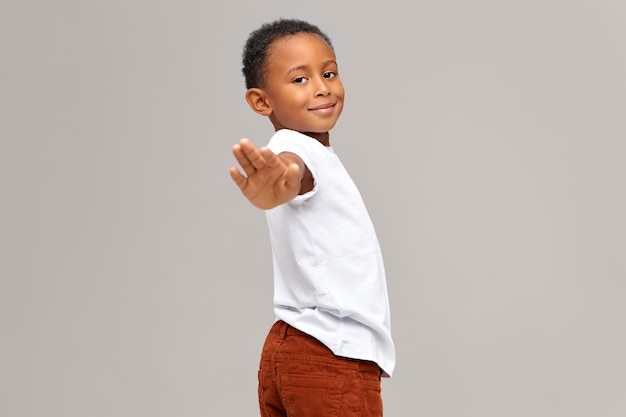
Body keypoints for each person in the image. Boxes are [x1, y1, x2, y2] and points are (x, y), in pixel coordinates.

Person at [229, 18, 395, 417]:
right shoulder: (295, 149)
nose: (322, 86)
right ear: (261, 101)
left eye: (329, 72)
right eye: (299, 79)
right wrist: (281, 183)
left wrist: (284, 184)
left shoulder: (311, 152)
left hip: (290, 348)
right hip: (331, 356)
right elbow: (293, 172)